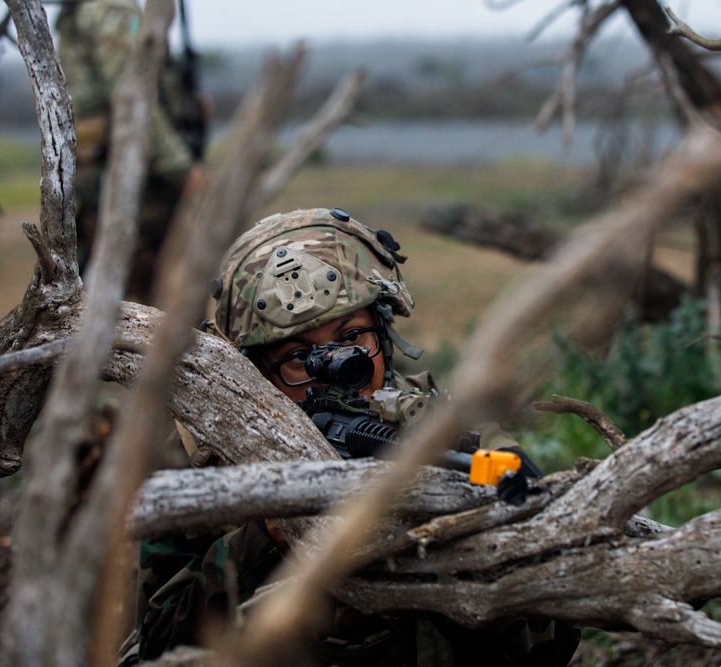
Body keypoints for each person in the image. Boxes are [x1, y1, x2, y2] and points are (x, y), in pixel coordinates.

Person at [130, 208, 581, 665]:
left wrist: (451, 528)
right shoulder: (204, 460)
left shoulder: (453, 439)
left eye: (352, 338)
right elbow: (156, 646)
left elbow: (553, 641)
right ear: (254, 371)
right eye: (299, 357)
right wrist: (268, 535)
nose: (337, 371)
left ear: (382, 334)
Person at [55, 0, 207, 305]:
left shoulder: (84, 10)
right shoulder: (110, 9)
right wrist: (182, 168)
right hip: (130, 172)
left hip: (99, 167)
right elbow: (133, 97)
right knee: (138, 291)